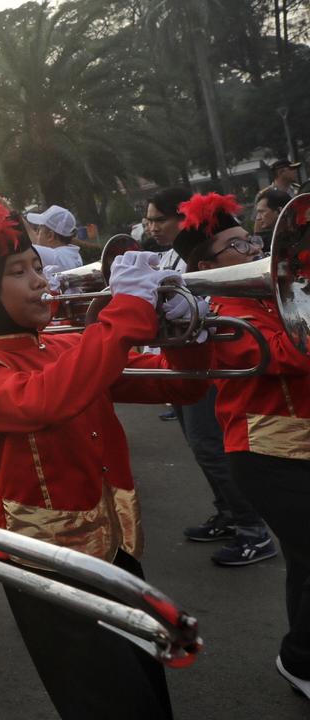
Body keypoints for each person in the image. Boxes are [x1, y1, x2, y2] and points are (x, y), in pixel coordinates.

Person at [0, 189, 212, 718]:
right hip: (48, 568)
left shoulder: (63, 345)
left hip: (117, 552)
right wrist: (127, 311)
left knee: (147, 692)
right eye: (19, 271)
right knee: (107, 703)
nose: (41, 280)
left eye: (36, 266)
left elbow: (180, 388)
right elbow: (47, 401)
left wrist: (186, 330)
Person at [171, 192, 310, 698]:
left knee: (305, 559)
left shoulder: (275, 292)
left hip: (301, 445)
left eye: (249, 238)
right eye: (236, 245)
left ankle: (302, 658)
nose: (253, 246)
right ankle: (300, 658)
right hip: (263, 452)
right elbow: (288, 356)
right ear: (207, 266)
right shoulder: (221, 310)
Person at [143, 188, 276, 561]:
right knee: (199, 445)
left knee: (209, 445)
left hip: (213, 367)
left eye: (160, 219)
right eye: (149, 220)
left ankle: (253, 529)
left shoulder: (212, 261)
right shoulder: (163, 255)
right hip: (182, 362)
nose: (152, 226)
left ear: (181, 219)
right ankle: (230, 513)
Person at [25, 205, 84, 270]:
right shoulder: (71, 254)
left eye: (38, 230)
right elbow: (30, 232)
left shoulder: (55, 257)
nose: (36, 233)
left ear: (50, 236)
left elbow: (25, 247)